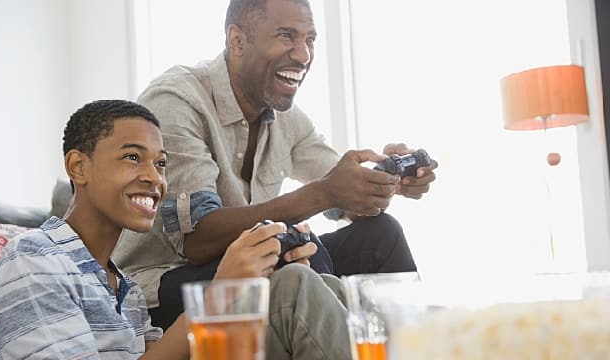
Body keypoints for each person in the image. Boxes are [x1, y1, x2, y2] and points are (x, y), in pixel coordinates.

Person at [113, 0, 438, 330]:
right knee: (287, 250)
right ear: (237, 40)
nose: (303, 54)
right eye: (287, 36)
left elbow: (340, 189)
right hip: (164, 287)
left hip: (252, 262)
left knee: (381, 234)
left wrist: (382, 182)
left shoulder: (285, 117)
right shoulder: (176, 102)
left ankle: (420, 348)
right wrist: (323, 195)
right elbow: (198, 242)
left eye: (310, 39)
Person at [0, 100, 352, 360]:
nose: (154, 178)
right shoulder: (32, 260)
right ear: (78, 167)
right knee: (292, 290)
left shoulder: (121, 286)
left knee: (312, 284)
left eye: (160, 164)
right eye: (132, 157)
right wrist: (219, 295)